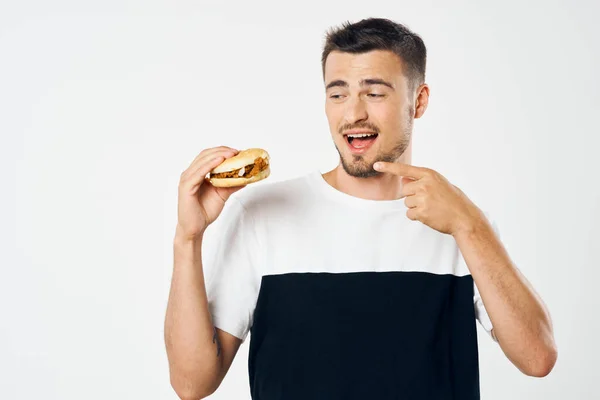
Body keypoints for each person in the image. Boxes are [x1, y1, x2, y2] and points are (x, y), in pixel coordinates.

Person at [164, 18, 557, 400]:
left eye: (374, 93)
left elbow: (538, 357)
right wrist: (188, 237)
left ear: (418, 101)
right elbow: (192, 384)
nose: (353, 114)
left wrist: (470, 227)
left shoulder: (460, 221)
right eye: (337, 94)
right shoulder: (261, 215)